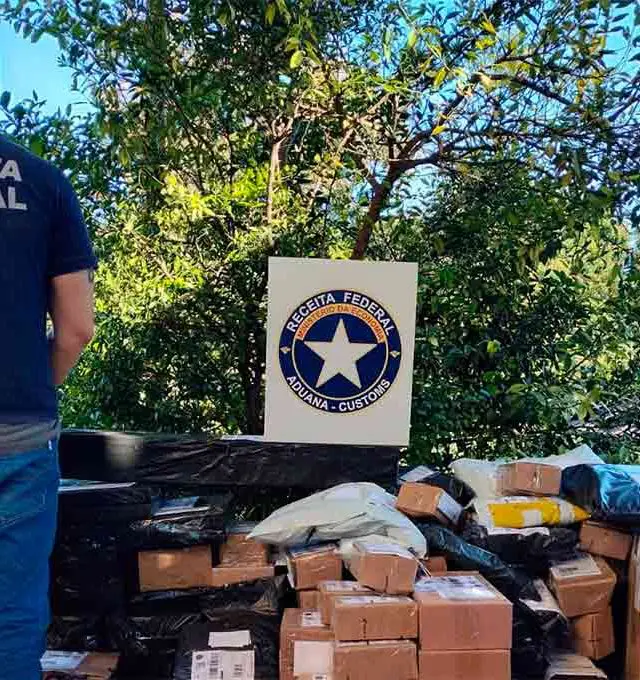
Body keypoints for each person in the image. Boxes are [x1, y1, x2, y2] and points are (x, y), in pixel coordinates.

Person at [0, 135, 96, 678]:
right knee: (12, 618)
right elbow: (76, 329)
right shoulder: (43, 181)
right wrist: (36, 392)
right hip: (18, 439)